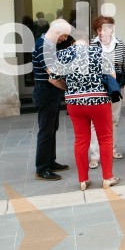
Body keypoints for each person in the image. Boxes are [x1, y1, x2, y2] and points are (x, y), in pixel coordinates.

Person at [48, 29, 120, 191]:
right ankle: (108, 177)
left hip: (75, 103)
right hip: (99, 101)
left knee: (81, 140)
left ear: (73, 42)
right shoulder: (98, 52)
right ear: (87, 41)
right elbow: (112, 76)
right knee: (105, 138)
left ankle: (83, 180)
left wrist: (69, 88)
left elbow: (52, 79)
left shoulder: (64, 54)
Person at [88, 16, 125, 169]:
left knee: (114, 119)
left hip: (115, 87)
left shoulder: (120, 45)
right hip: (97, 88)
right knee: (95, 123)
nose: (102, 32)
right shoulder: (91, 45)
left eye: (105, 28)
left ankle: (112, 149)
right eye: (99, 29)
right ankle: (95, 155)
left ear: (112, 28)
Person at [32, 19, 73, 181]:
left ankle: (50, 161)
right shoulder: (44, 46)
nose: (65, 39)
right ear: (57, 32)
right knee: (46, 131)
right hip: (46, 91)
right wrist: (69, 88)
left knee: (52, 128)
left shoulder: (46, 43)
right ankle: (42, 169)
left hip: (50, 92)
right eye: (64, 36)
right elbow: (52, 75)